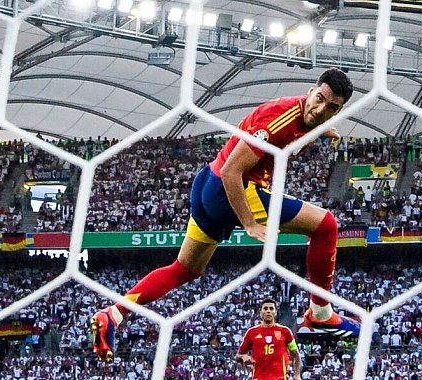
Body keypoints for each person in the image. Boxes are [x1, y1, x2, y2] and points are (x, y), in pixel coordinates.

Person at [90, 68, 359, 363]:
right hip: (232, 189)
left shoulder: (308, 120)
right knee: (326, 226)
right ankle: (320, 314)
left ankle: (113, 314)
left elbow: (292, 135)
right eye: (319, 99)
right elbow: (233, 170)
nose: (321, 109)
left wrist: (318, 130)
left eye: (332, 107)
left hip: (206, 184)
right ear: (311, 91)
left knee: (185, 269)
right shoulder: (278, 117)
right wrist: (249, 223)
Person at [236, 298, 302, 380]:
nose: (268, 311)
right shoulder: (251, 332)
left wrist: (297, 375)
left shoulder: (285, 331)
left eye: (271, 308)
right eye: (265, 308)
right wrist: (243, 357)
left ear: (275, 313)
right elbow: (238, 356)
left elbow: (296, 354)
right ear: (261, 312)